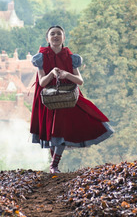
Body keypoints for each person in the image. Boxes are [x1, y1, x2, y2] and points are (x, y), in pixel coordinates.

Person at [30, 25, 113, 173]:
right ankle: (54, 165)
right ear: (47, 38)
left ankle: (54, 165)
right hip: (49, 100)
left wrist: (66, 75)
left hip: (68, 99)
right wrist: (52, 73)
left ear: (64, 37)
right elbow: (42, 82)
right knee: (52, 135)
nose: (55, 36)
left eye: (59, 34)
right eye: (52, 34)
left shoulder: (71, 57)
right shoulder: (41, 58)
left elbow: (79, 80)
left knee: (60, 132)